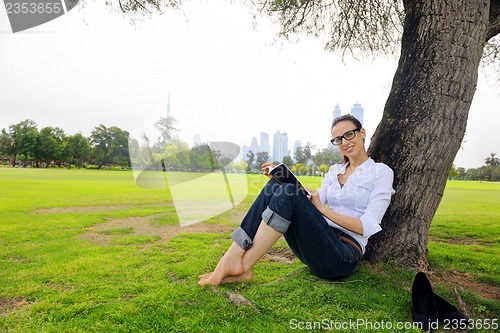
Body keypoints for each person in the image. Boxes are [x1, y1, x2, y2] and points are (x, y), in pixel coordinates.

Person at [198, 114, 395, 286]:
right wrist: (281, 178)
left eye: (348, 135)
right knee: (279, 185)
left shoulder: (381, 172)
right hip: (315, 241)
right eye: (337, 139)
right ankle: (234, 254)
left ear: (362, 132)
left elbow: (368, 226)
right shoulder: (335, 171)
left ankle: (243, 266)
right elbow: (308, 203)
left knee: (288, 191)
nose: (344, 142)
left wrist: (324, 210)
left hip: (342, 255)